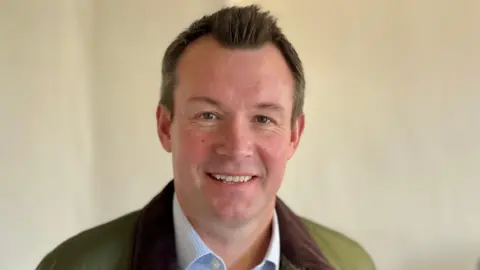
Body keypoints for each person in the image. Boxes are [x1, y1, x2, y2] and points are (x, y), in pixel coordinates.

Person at [36, 5, 375, 270]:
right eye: (208, 116)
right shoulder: (68, 266)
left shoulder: (351, 264)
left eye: (263, 118)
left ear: (294, 136)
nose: (237, 146)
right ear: (166, 127)